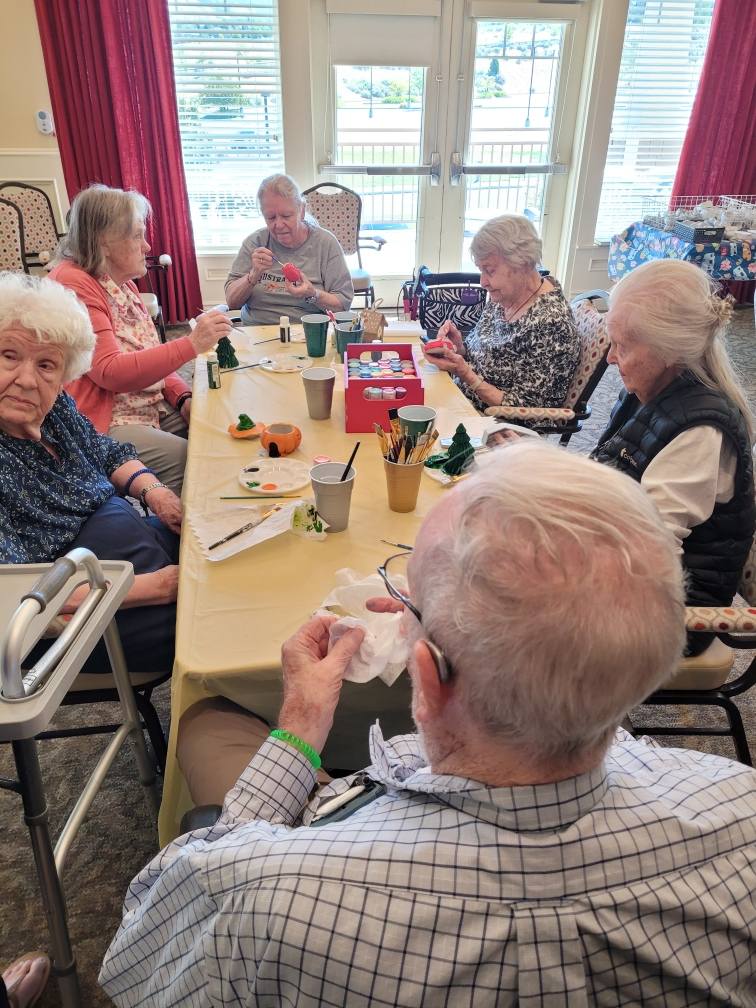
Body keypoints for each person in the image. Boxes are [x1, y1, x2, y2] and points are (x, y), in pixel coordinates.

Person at [100, 440, 756, 1006]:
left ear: (431, 674)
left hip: (330, 844)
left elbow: (140, 957)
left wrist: (298, 728)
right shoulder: (741, 814)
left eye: (407, 598)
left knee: (209, 719)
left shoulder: (264, 895)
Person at [0, 272, 180, 677]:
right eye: (9, 355)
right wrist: (159, 586)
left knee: (219, 552)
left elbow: (104, 451)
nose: (28, 379)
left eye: (47, 365)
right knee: (205, 626)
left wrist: (156, 494)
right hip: (82, 618)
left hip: (126, 557)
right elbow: (14, 593)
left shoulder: (53, 407)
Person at [591, 259, 755, 654]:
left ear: (667, 351)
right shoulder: (650, 389)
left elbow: (648, 556)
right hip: (626, 568)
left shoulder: (700, 430)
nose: (611, 358)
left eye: (622, 346)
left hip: (668, 613)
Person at [49, 183, 232, 496]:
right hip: (102, 420)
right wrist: (191, 344)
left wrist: (183, 397)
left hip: (146, 403)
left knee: (217, 426)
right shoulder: (74, 284)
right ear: (104, 241)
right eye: (137, 235)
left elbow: (150, 352)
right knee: (195, 461)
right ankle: (185, 540)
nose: (147, 246)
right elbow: (110, 372)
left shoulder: (118, 279)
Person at [423, 214, 579, 413]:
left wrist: (465, 373)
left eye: (489, 270)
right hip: (462, 398)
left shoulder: (550, 324)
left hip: (497, 424)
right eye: (481, 270)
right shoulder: (505, 296)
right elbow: (485, 356)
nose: (483, 282)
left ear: (522, 264)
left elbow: (527, 409)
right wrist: (460, 347)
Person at [224, 173, 353, 325]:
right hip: (257, 332)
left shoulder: (325, 243)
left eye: (286, 216)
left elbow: (343, 305)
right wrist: (253, 275)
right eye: (271, 218)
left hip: (307, 333)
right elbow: (232, 302)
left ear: (302, 210)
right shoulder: (255, 243)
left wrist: (312, 294)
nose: (278, 225)